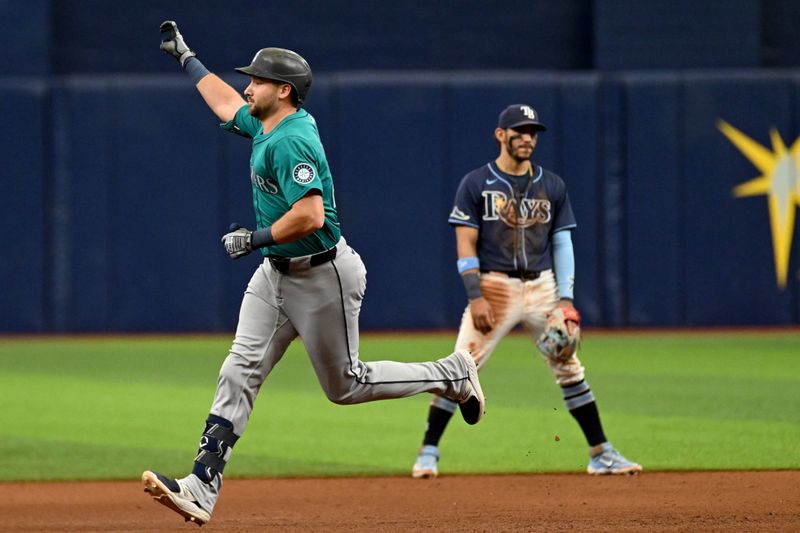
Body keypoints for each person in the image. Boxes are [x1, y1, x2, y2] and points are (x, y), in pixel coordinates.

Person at [142, 21, 485, 526]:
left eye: (256, 80)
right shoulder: (267, 124)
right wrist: (186, 57)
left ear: (283, 90)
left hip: (324, 275)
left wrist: (254, 237)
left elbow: (311, 215)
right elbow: (221, 102)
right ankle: (201, 485)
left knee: (345, 385)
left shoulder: (292, 141)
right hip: (275, 275)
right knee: (239, 369)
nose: (247, 86)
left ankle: (451, 373)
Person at [410, 104, 641, 479]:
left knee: (568, 365)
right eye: (519, 131)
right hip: (494, 288)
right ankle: (429, 451)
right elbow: (465, 244)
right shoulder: (475, 183)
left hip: (542, 287)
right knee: (461, 367)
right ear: (500, 135)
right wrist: (475, 295)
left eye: (533, 131)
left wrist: (564, 298)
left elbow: (563, 242)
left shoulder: (552, 185)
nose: (528, 138)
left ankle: (602, 453)